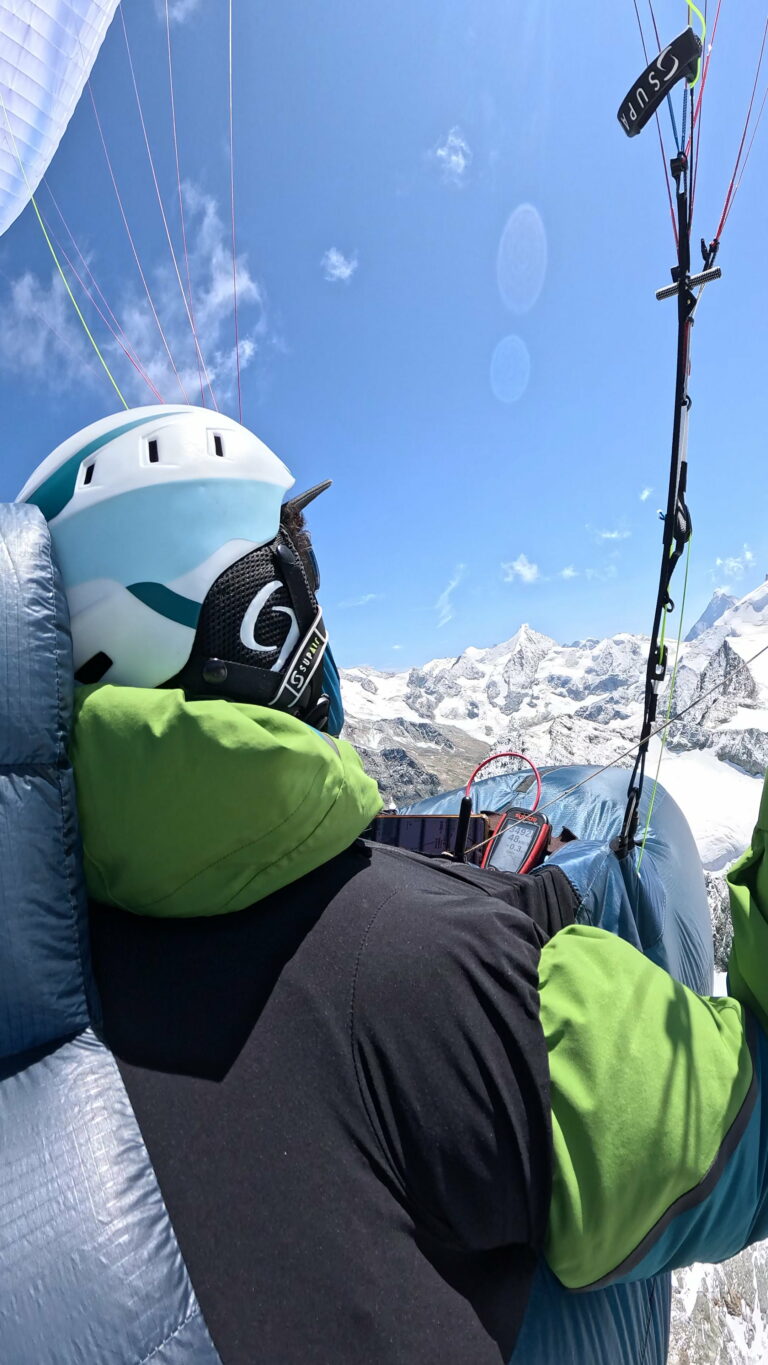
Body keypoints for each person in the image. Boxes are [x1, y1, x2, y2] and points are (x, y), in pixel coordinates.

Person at [11, 403, 768, 1365]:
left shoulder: (42, 974)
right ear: (258, 618)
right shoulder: (442, 975)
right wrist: (513, 952)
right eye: (297, 570)